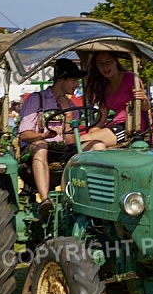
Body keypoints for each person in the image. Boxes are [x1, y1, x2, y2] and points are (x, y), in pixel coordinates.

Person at [18, 59, 105, 218]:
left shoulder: (71, 105)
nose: (76, 84)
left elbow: (71, 142)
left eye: (77, 81)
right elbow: (24, 134)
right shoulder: (36, 99)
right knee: (41, 145)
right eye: (73, 80)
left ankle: (91, 200)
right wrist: (43, 135)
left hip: (61, 149)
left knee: (98, 146)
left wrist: (68, 114)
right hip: (35, 150)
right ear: (60, 80)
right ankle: (45, 200)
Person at [82, 51, 151, 147]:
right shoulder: (104, 87)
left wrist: (143, 98)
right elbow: (101, 119)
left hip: (130, 128)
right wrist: (91, 133)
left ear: (115, 61)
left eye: (108, 61)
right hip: (115, 126)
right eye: (100, 63)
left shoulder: (130, 78)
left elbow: (145, 107)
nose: (105, 67)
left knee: (84, 140)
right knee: (91, 144)